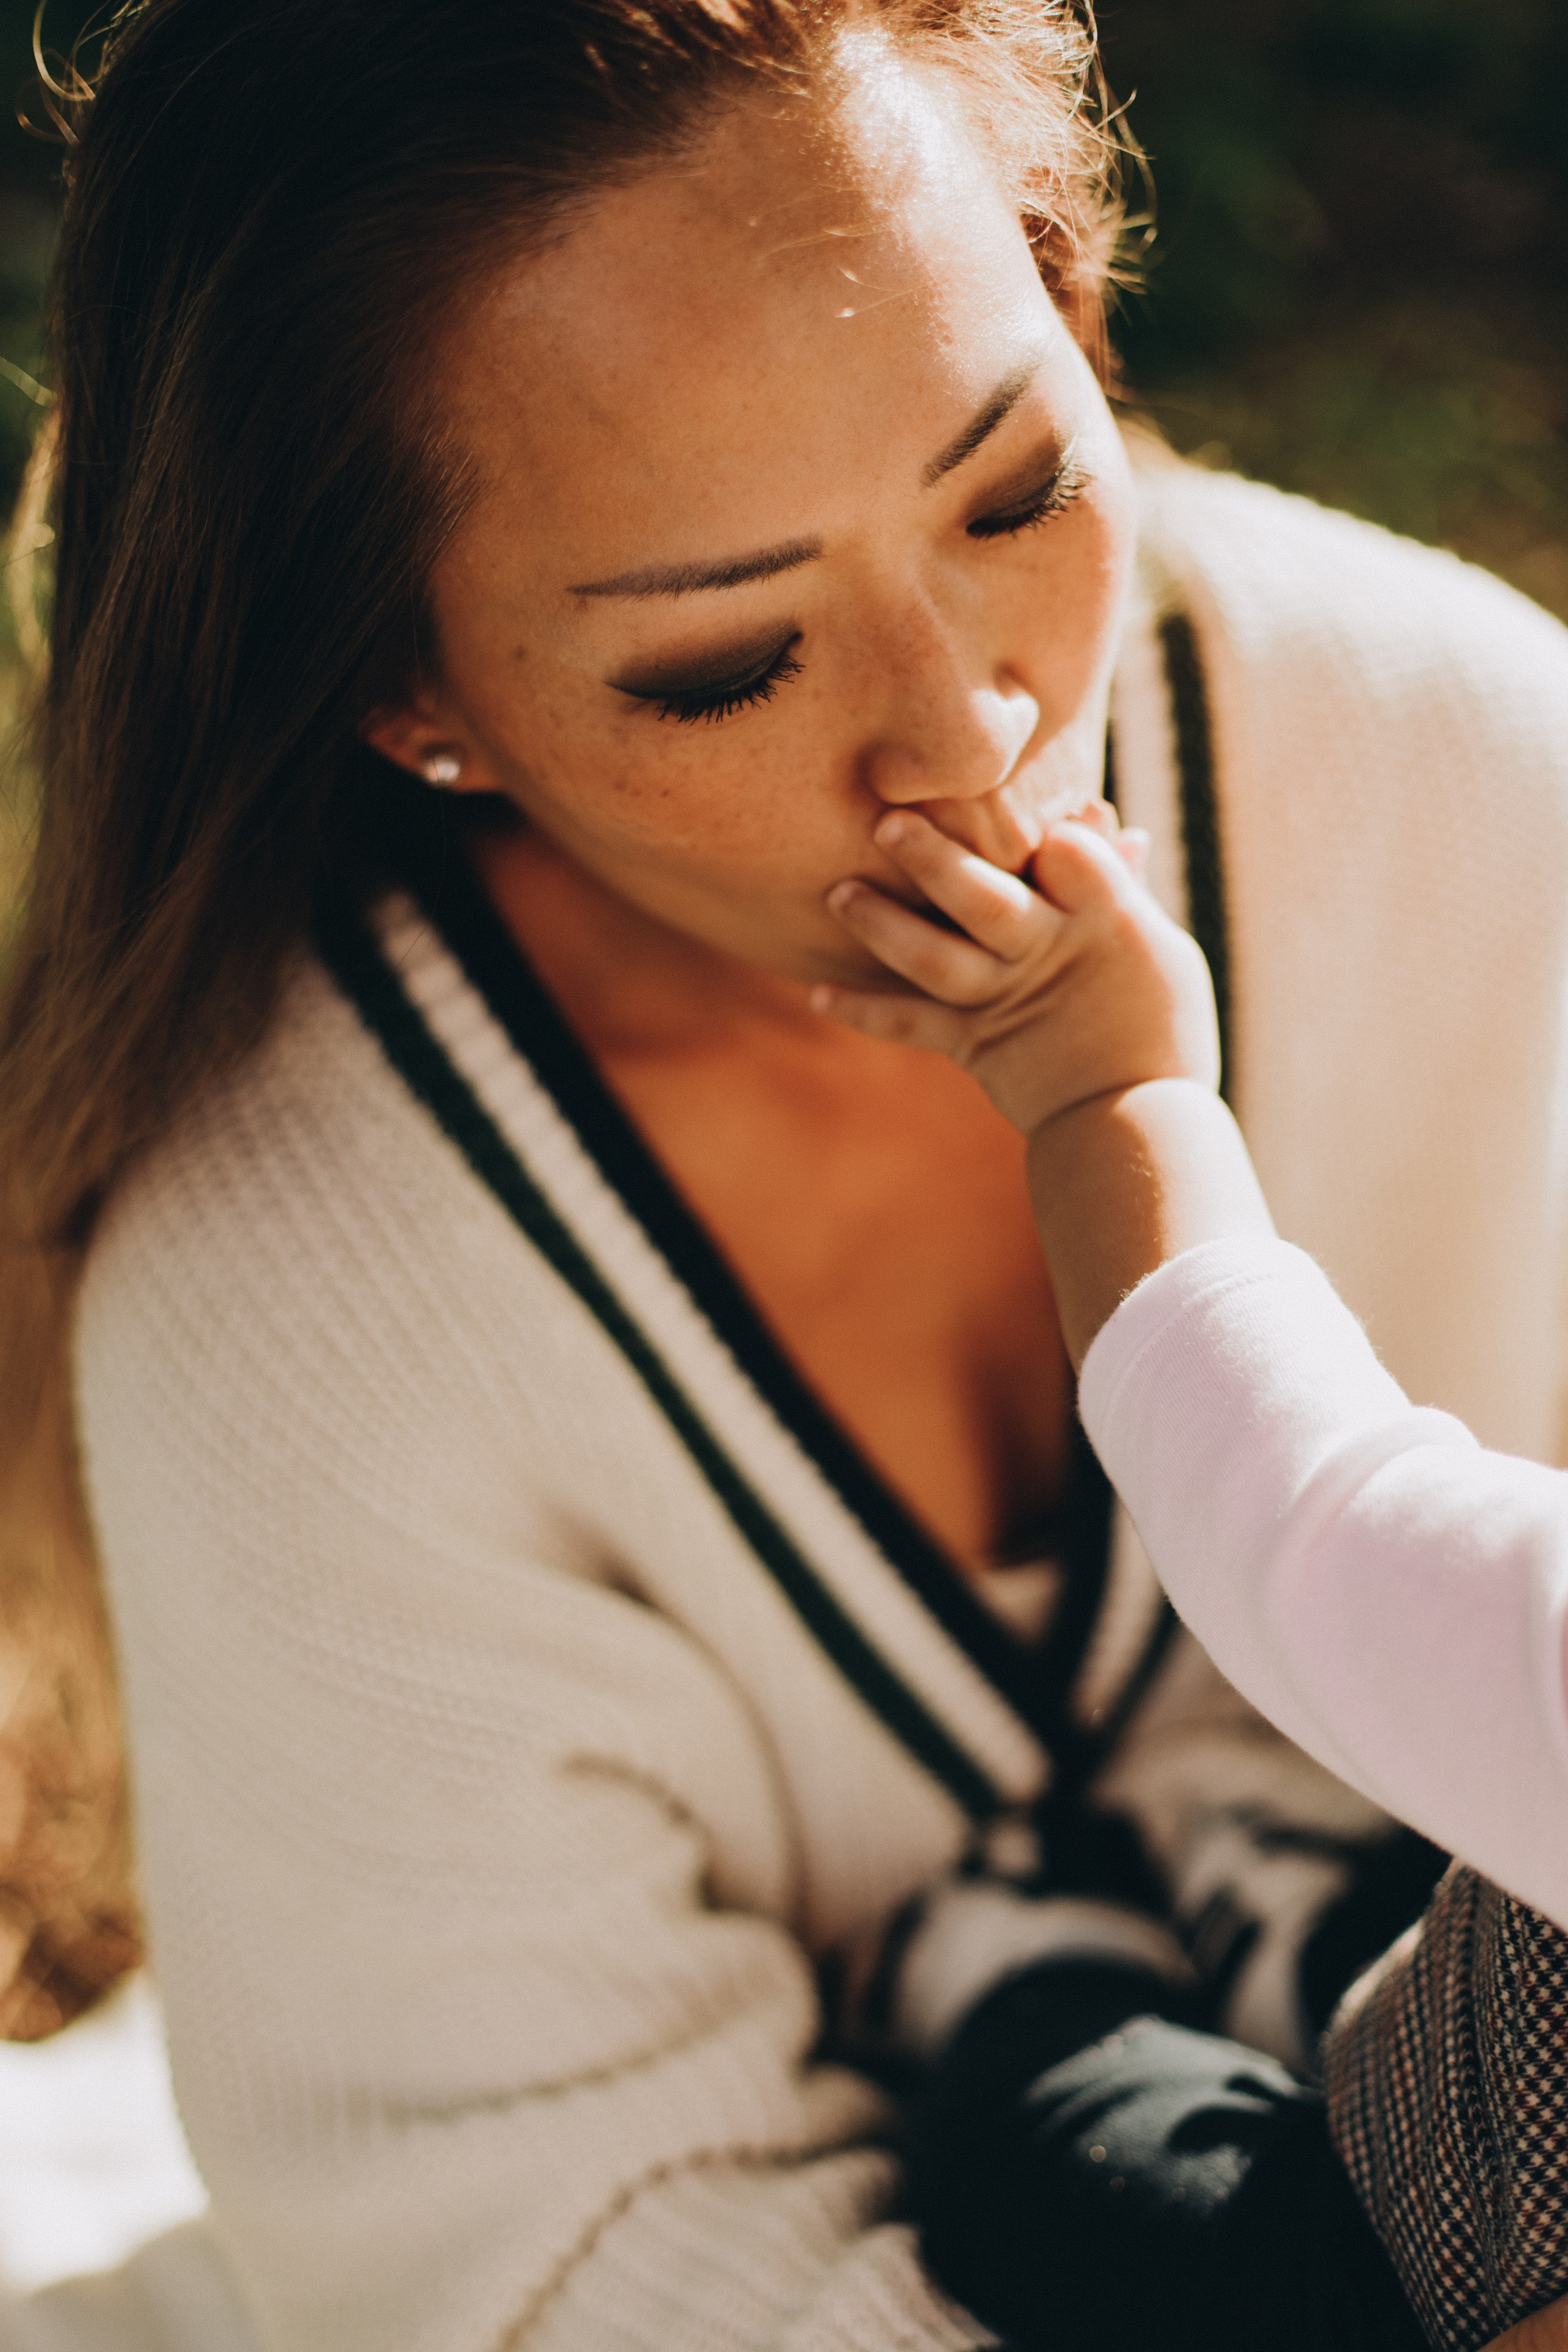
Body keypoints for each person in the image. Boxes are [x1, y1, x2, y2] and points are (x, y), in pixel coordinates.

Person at [4, 0, 1568, 2343]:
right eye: (728, 662)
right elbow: (552, 2263)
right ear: (407, 688)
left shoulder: (1470, 770)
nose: (976, 738)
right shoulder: (293, 1283)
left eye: (1018, 487)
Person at [820, 805, 1568, 2352]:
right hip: (1453, 2083)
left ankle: (1109, 1961)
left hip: (1406, 2249)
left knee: (1191, 2260)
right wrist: (1112, 1089)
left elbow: (1294, 1515)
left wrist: (1110, 1083)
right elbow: (1302, 1516)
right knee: (1087, 2164)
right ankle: (1045, 1966)